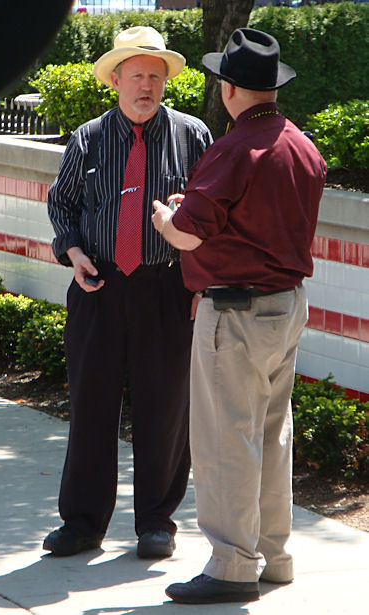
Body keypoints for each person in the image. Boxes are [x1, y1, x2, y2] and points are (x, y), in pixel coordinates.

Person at [152, 28, 326, 603]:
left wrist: (164, 216)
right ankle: (273, 556)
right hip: (287, 305)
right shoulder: (301, 145)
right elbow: (255, 216)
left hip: (235, 311)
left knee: (227, 441)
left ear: (229, 88)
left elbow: (187, 233)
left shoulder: (231, 148)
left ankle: (230, 565)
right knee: (273, 436)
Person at [43, 26, 212, 559]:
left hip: (167, 289)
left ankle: (157, 522)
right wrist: (72, 253)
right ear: (115, 80)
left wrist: (200, 281)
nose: (146, 85)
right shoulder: (88, 137)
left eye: (155, 76)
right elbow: (62, 204)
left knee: (164, 409)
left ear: (166, 82)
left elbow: (214, 218)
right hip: (99, 286)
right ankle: (83, 522)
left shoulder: (193, 136)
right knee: (91, 405)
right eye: (136, 75)